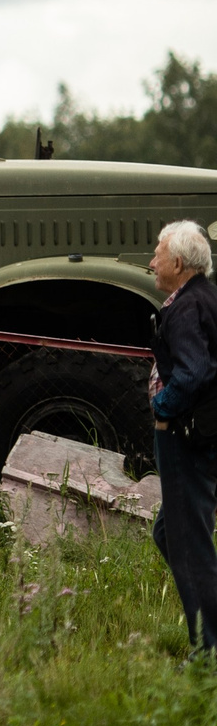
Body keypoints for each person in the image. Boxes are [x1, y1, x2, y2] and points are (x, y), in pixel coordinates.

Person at [148, 219, 217, 659]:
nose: (151, 261)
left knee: (189, 545)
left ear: (177, 262)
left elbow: (194, 372)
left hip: (185, 439)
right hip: (204, 437)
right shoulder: (208, 297)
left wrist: (161, 407)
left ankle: (209, 650)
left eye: (157, 253)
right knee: (169, 535)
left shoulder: (186, 308)